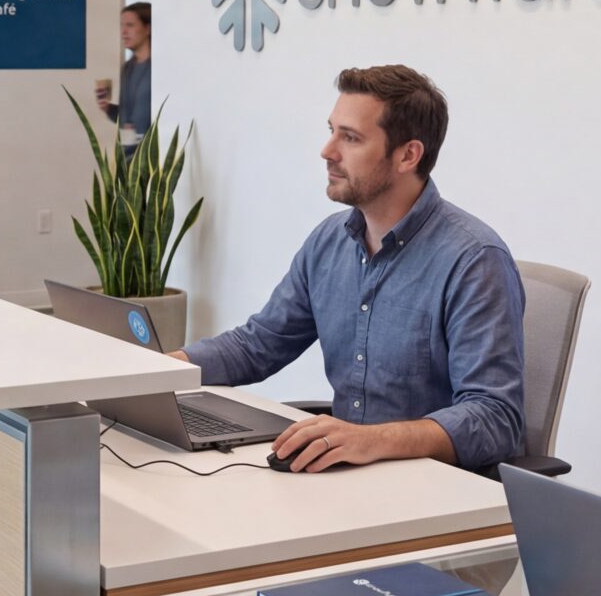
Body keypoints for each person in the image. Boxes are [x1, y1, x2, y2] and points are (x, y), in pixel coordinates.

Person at [170, 64, 526, 473]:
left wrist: (371, 440)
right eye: (332, 131)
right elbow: (258, 345)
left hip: (436, 486)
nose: (328, 151)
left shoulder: (474, 260)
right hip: (344, 475)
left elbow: (495, 418)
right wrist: (155, 368)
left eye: (350, 138)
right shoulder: (330, 240)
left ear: (408, 155)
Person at [95, 2, 153, 143]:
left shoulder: (160, 68)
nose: (124, 32)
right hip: (128, 152)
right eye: (122, 25)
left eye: (130, 25)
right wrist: (108, 108)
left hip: (153, 152)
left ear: (147, 29)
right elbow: (126, 120)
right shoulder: (127, 69)